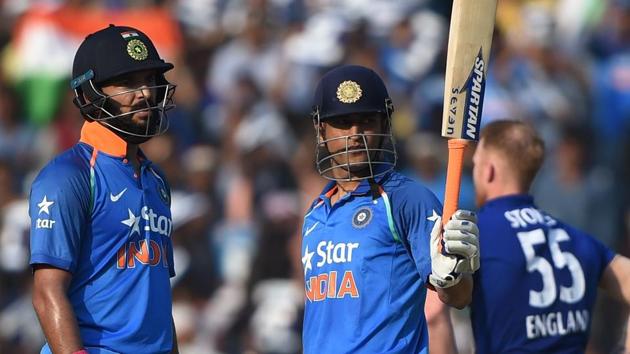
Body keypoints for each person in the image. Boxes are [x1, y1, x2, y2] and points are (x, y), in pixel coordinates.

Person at [301, 64, 480, 353]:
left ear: (385, 125)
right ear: (321, 129)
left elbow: (458, 296)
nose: (355, 133)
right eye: (343, 122)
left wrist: (454, 274)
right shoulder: (315, 213)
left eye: (367, 120)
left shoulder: (407, 199)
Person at [29, 25, 178, 354]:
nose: (145, 93)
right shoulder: (67, 176)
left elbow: (156, 301)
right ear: (89, 95)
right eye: (127, 83)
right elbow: (46, 292)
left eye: (149, 80)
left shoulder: (156, 180)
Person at [470, 120, 630, 353]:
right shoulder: (577, 240)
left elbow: (436, 313)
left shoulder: (477, 234)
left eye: (475, 164)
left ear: (488, 170)